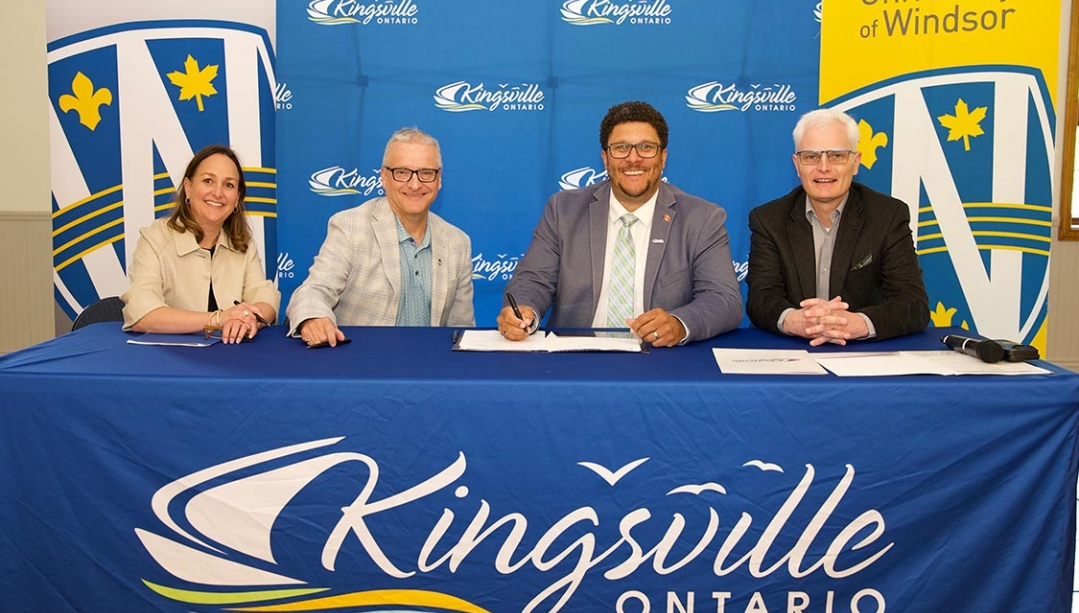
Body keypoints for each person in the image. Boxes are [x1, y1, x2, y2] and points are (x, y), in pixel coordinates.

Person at [498, 101, 743, 347]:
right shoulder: (563, 210)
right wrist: (523, 310)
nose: (633, 159)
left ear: (663, 157)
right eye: (621, 148)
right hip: (575, 359)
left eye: (646, 147)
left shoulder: (701, 218)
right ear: (605, 158)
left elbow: (724, 299)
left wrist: (678, 324)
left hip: (664, 361)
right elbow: (532, 280)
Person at [746, 108, 929, 345]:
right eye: (811, 156)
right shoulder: (768, 219)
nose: (824, 167)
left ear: (855, 162)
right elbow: (761, 298)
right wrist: (795, 320)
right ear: (797, 164)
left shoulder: (888, 216)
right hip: (790, 351)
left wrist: (858, 324)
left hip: (863, 353)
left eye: (837, 156)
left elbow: (913, 303)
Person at [286, 127, 475, 347]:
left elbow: (460, 332)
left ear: (439, 179)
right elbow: (314, 290)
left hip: (429, 370)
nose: (415, 184)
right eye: (402, 172)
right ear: (384, 177)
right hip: (360, 369)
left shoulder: (458, 242)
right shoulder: (350, 227)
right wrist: (313, 318)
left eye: (426, 173)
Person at [122, 144, 280, 343]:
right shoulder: (155, 238)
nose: (217, 193)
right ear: (188, 188)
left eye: (229, 185)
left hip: (233, 359)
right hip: (171, 360)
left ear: (237, 198)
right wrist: (217, 319)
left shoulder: (242, 243)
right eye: (208, 181)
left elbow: (265, 298)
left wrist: (247, 320)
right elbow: (141, 314)